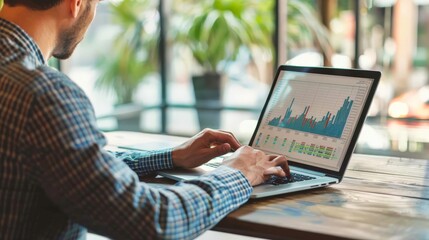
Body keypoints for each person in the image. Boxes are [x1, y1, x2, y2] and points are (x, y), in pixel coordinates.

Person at [0, 0, 290, 239]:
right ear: (75, 4)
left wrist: (171, 157)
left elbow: (72, 170)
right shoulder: (44, 94)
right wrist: (238, 173)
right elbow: (152, 221)